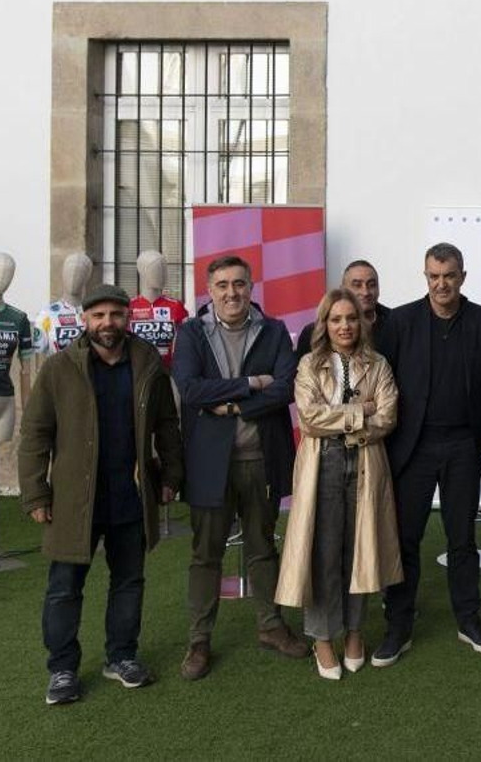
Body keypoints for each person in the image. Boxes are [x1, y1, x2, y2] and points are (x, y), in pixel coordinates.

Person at [18, 285, 183, 706]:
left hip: (131, 495)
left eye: (115, 314)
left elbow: (166, 422)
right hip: (75, 499)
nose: (107, 323)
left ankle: (122, 657)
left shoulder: (146, 362)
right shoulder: (59, 369)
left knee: (128, 582)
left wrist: (170, 474)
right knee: (64, 586)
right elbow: (36, 434)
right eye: (98, 316)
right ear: (85, 320)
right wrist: (36, 493)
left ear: (127, 317)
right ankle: (62, 669)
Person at [173, 256, 305, 680]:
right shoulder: (192, 332)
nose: (232, 293)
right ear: (209, 291)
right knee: (205, 554)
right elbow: (191, 389)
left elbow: (285, 388)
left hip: (260, 459)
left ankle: (271, 626)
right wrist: (252, 384)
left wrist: (227, 404)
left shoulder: (274, 330)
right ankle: (199, 640)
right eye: (223, 285)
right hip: (210, 464)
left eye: (240, 284)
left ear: (251, 287)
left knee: (263, 547)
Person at [374, 243, 481, 664]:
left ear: (462, 276)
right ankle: (399, 625)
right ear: (425, 276)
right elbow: (384, 383)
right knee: (406, 538)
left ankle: (469, 619)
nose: (441, 283)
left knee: (462, 538)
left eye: (449, 275)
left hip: (464, 445)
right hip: (414, 446)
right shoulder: (401, 322)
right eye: (433, 276)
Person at [276, 290, 404, 681]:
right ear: (324, 324)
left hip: (366, 461)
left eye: (351, 318)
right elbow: (311, 420)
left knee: (359, 551)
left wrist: (348, 417)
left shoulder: (378, 363)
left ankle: (353, 632)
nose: (345, 326)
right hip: (322, 463)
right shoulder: (309, 365)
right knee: (323, 552)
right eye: (336, 319)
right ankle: (322, 637)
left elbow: (387, 417)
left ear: (361, 322)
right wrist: (358, 412)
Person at [293, 260, 395, 361]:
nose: (365, 292)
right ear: (343, 290)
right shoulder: (314, 332)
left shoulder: (395, 324)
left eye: (371, 285)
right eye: (357, 285)